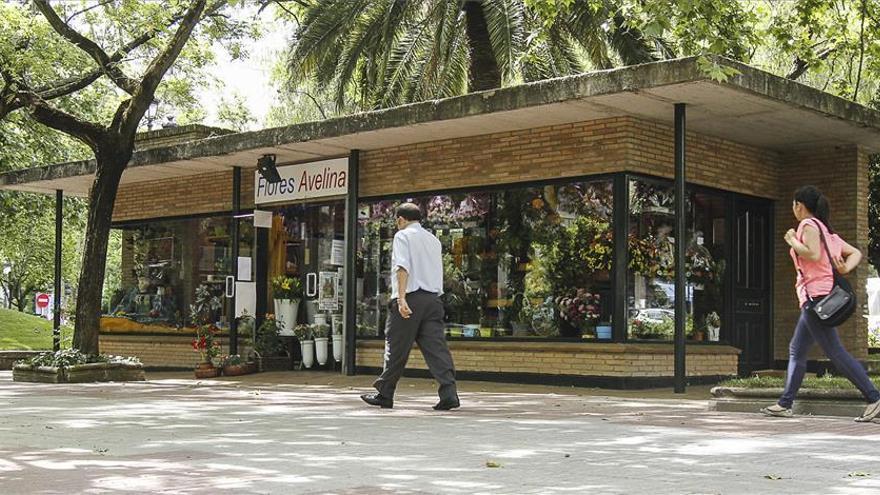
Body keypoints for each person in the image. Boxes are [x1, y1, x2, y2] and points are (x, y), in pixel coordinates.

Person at [761, 186, 880, 421]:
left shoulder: (808, 226)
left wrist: (792, 239)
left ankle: (874, 398)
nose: (793, 210)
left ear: (799, 205)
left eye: (794, 205)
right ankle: (785, 403)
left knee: (835, 352)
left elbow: (813, 255)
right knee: (797, 350)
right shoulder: (826, 230)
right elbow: (855, 252)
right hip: (817, 297)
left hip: (817, 299)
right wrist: (845, 268)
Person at [361, 203, 460, 410]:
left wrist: (402, 298)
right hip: (433, 300)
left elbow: (402, 267)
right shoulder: (433, 240)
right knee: (437, 349)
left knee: (396, 346)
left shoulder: (402, 236)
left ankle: (385, 393)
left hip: (411, 297)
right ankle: (449, 393)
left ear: (400, 220)